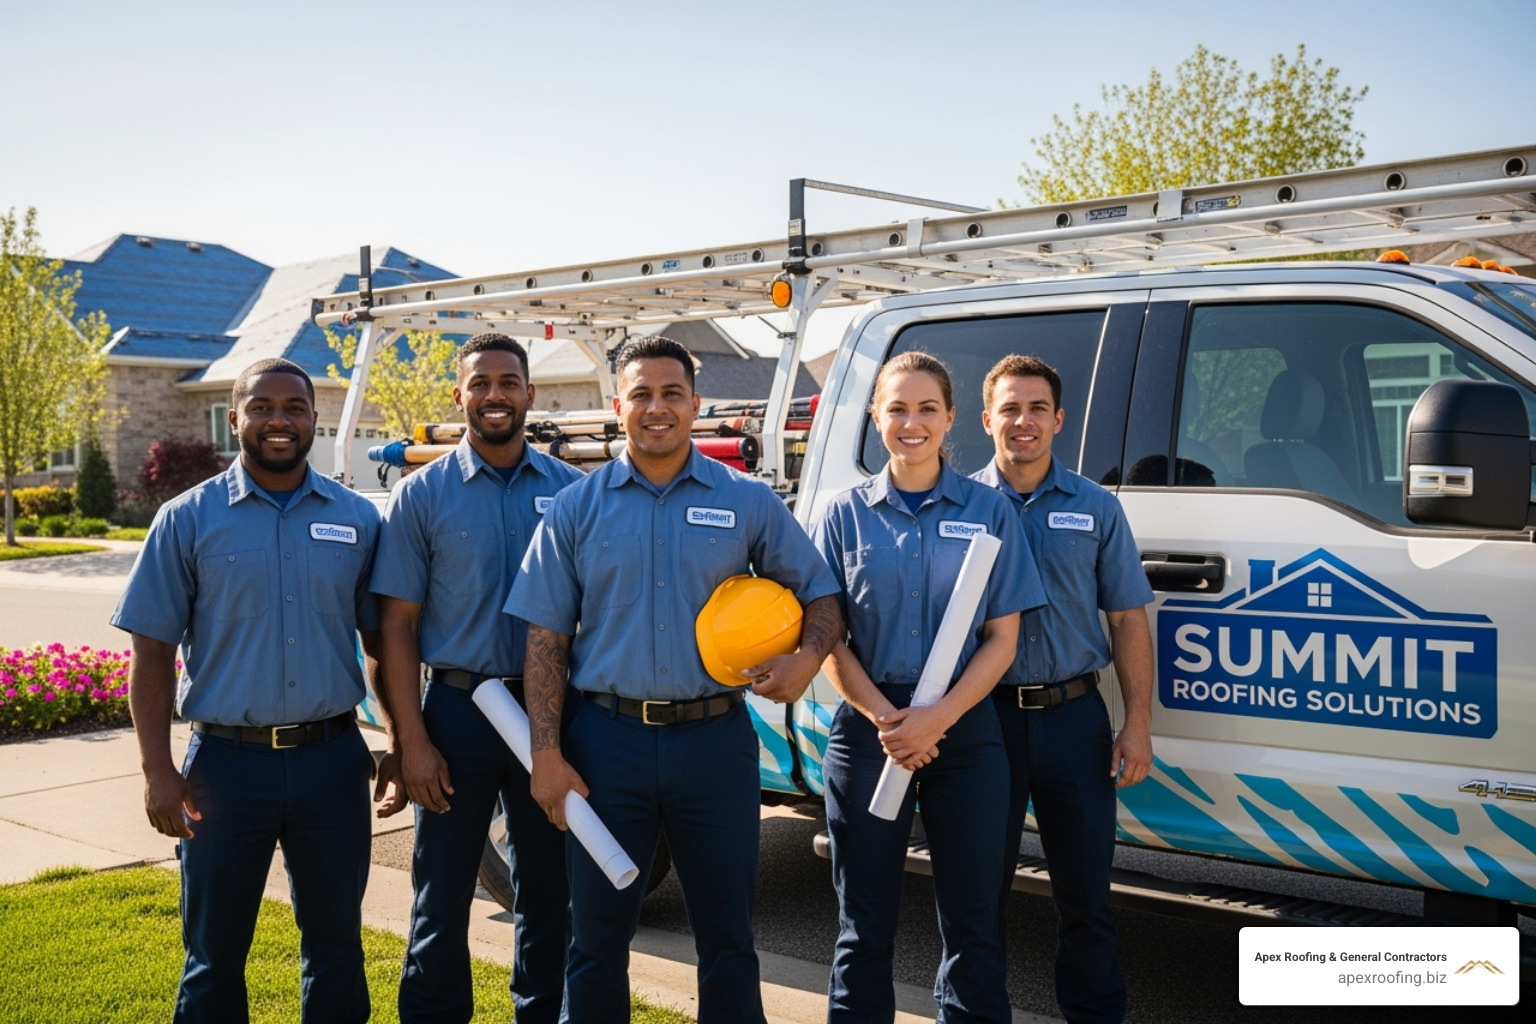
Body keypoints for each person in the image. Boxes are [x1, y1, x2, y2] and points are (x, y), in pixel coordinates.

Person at [504, 335, 843, 1024]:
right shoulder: (576, 506)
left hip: (713, 742)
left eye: (671, 393)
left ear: (695, 403)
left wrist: (807, 661)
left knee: (728, 937)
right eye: (641, 395)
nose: (656, 408)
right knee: (596, 937)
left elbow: (823, 594)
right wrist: (545, 753)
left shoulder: (746, 501)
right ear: (616, 404)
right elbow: (545, 639)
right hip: (605, 743)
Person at [112, 357, 382, 1024]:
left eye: (293, 407)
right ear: (234, 419)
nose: (278, 420)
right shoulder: (186, 520)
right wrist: (157, 772)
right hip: (225, 772)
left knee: (337, 950)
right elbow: (150, 654)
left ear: (315, 421)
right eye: (261, 407)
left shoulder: (358, 520)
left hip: (332, 762)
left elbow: (384, 643)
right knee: (213, 955)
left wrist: (402, 740)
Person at [811, 351, 1045, 1024]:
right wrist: (892, 720)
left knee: (975, 925)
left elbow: (1002, 638)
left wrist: (935, 719)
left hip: (965, 731)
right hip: (868, 728)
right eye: (897, 409)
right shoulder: (841, 515)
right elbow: (828, 639)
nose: (911, 423)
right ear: (875, 417)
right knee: (864, 923)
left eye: (926, 409)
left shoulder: (990, 510)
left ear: (949, 420)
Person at [370, 333, 584, 1024]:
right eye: (480, 383)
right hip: (457, 713)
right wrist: (411, 739)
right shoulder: (420, 495)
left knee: (548, 890)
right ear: (458, 395)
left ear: (529, 393)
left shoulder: (573, 492)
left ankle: (542, 1013)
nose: (495, 395)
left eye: (508, 382)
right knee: (441, 889)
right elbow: (396, 627)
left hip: (550, 716)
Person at [971, 354, 1155, 1024]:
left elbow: (1128, 618)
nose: (1024, 422)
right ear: (987, 418)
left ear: (1059, 419)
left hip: (1075, 720)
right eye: (1010, 409)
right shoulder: (958, 505)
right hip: (982, 725)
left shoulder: (1096, 507)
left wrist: (1137, 724)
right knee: (976, 895)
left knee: (1085, 897)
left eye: (1037, 409)